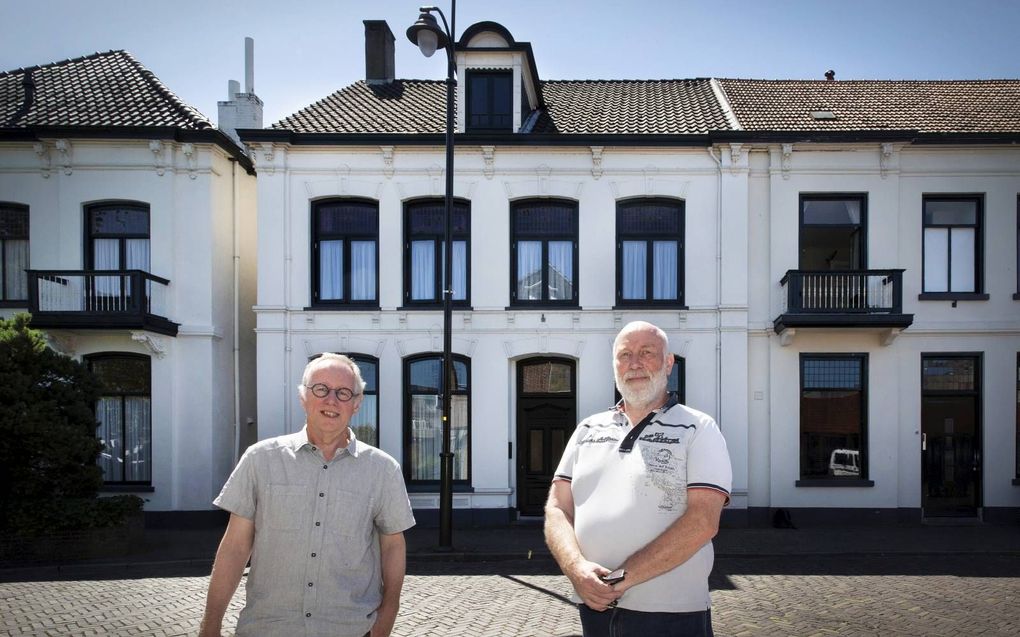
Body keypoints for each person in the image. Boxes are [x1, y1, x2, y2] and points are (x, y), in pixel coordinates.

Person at [199, 353, 415, 637]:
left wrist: (386, 618)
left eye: (343, 393)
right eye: (321, 389)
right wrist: (210, 624)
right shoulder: (260, 459)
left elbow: (393, 547)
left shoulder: (383, 470)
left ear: (357, 403)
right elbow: (235, 547)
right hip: (268, 629)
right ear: (303, 397)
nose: (331, 400)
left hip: (351, 629)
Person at [544, 321, 732, 637]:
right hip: (595, 610)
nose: (634, 364)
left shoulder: (699, 428)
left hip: (672, 616)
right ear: (614, 365)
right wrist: (576, 570)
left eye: (647, 353)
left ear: (669, 362)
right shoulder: (588, 429)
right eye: (625, 355)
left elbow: (703, 520)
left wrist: (619, 580)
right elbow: (557, 508)